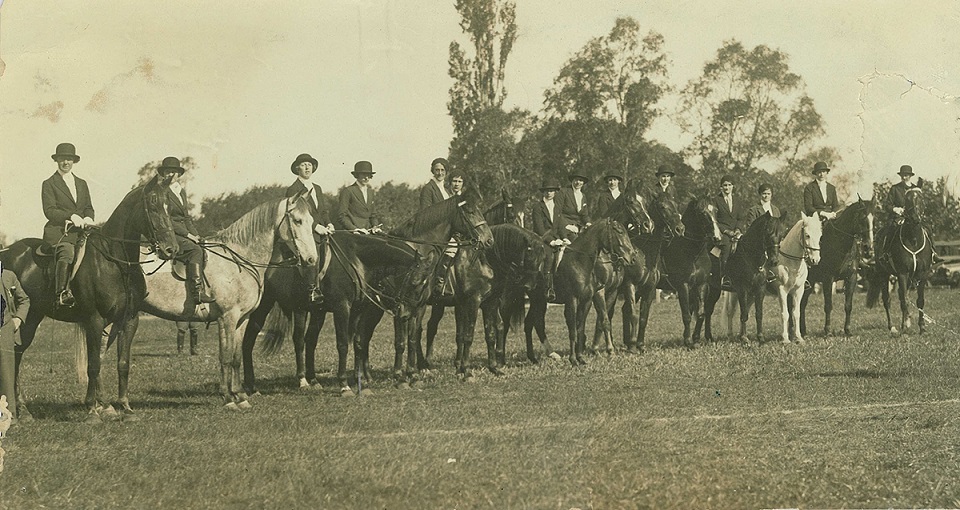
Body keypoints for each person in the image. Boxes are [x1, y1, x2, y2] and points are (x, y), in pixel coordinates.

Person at [41, 142, 95, 308]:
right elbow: (49, 211)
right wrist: (70, 216)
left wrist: (88, 218)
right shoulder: (49, 183)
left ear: (73, 161)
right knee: (67, 252)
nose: (66, 163)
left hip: (82, 232)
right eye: (62, 159)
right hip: (60, 233)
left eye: (69, 159)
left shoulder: (82, 183)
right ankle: (61, 294)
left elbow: (88, 207)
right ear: (57, 161)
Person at [157, 156, 215, 303]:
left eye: (173, 172)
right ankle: (197, 292)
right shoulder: (162, 191)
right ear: (163, 174)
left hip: (183, 232)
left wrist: (197, 235)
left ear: (178, 174)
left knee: (203, 246)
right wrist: (189, 235)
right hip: (169, 233)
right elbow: (167, 219)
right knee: (195, 250)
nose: (170, 175)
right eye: (167, 172)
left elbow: (186, 218)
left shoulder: (180, 192)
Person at [286, 153, 334, 303]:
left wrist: (329, 223)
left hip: (323, 230)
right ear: (297, 168)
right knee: (313, 254)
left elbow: (323, 211)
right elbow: (296, 215)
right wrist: (315, 227)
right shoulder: (293, 189)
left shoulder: (317, 188)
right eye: (303, 164)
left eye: (309, 164)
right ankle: (312, 289)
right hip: (305, 232)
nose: (307, 167)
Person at [878, 165, 942, 265]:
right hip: (898, 217)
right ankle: (885, 253)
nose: (904, 177)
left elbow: (920, 204)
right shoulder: (895, 189)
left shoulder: (915, 189)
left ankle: (933, 253)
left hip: (914, 217)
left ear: (910, 176)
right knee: (891, 229)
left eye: (906, 175)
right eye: (903, 175)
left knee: (928, 228)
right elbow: (887, 205)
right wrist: (895, 209)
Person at [1, 264, 30, 420]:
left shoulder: (8, 275)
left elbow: (24, 300)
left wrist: (18, 319)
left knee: (6, 373)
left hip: (5, 329)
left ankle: (7, 414)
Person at [532, 180, 568, 301]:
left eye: (551, 191)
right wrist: (551, 242)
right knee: (549, 257)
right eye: (547, 191)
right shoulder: (538, 207)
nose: (549, 193)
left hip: (557, 238)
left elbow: (560, 225)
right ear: (543, 192)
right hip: (542, 239)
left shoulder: (557, 207)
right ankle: (548, 288)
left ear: (555, 192)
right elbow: (539, 228)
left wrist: (565, 238)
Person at [712, 175, 745, 288]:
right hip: (723, 232)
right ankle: (725, 276)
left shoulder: (737, 200)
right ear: (721, 187)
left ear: (733, 186)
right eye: (724, 185)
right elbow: (714, 219)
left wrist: (737, 230)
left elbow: (740, 218)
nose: (727, 188)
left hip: (736, 231)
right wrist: (726, 231)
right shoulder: (716, 200)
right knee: (726, 246)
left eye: (729, 185)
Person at [336, 161, 382, 233]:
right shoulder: (348, 191)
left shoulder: (370, 192)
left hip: (368, 232)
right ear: (357, 175)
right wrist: (354, 229)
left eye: (369, 175)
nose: (366, 178)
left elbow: (373, 215)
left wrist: (375, 226)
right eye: (363, 174)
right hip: (353, 233)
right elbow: (341, 216)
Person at [555, 173, 591, 239]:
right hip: (564, 227)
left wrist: (588, 223)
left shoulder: (583, 196)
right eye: (576, 180)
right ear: (572, 180)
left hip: (578, 227)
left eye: (580, 180)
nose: (578, 182)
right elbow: (557, 212)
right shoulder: (564, 192)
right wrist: (566, 225)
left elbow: (584, 215)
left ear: (583, 183)